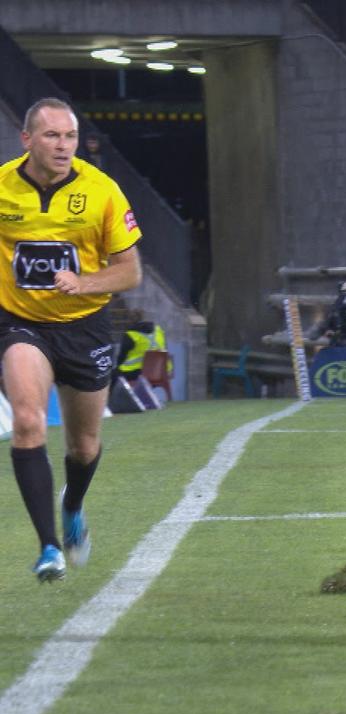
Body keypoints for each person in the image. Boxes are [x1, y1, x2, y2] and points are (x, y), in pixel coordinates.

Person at [1, 98, 144, 581]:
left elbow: (130, 272)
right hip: (22, 323)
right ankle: (47, 548)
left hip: (85, 326)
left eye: (70, 137)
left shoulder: (101, 190)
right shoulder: (2, 187)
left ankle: (73, 505)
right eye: (51, 136)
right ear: (27, 140)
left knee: (83, 446)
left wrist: (83, 282)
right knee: (26, 422)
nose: (63, 146)